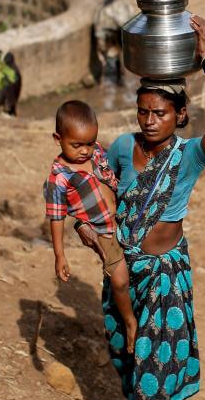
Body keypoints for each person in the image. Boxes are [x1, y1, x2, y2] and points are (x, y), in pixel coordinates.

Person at [76, 15, 205, 400]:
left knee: (151, 360)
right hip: (124, 271)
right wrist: (85, 225)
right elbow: (95, 187)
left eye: (160, 113)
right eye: (143, 111)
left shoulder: (188, 156)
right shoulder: (124, 147)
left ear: (180, 116)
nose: (149, 120)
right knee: (129, 355)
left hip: (166, 276)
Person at [44, 101, 136, 357]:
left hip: (126, 220)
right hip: (103, 232)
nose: (85, 150)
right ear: (57, 139)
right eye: (77, 145)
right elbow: (56, 216)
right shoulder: (59, 177)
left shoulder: (97, 153)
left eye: (90, 142)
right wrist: (60, 255)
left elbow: (117, 171)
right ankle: (129, 322)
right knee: (119, 279)